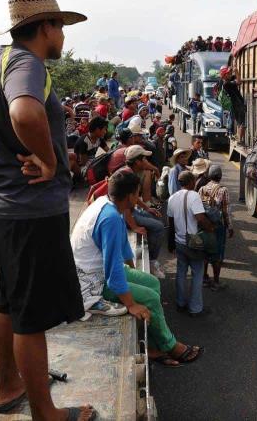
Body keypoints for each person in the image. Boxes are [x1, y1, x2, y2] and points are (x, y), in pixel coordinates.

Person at [0, 0, 94, 419]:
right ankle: (45, 413)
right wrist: (50, 160)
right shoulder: (26, 65)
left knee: (10, 302)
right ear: (46, 27)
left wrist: (2, 158)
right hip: (31, 208)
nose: (64, 38)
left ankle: (8, 386)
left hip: (1, 205)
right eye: (61, 28)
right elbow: (25, 114)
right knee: (31, 317)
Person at [72, 170, 203, 366]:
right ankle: (170, 346)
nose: (139, 197)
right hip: (91, 283)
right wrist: (131, 304)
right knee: (149, 297)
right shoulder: (111, 218)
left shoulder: (106, 204)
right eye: (138, 193)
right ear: (131, 195)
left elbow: (122, 245)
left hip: (97, 271)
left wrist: (133, 270)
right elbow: (113, 270)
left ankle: (154, 341)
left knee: (151, 282)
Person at [167, 171, 215, 317]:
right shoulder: (194, 196)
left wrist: (171, 244)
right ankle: (195, 308)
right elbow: (200, 217)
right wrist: (210, 228)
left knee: (181, 273)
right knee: (197, 273)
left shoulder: (172, 198)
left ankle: (180, 303)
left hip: (179, 241)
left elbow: (170, 223)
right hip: (193, 242)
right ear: (191, 182)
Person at [117, 146, 166, 278]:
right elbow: (124, 205)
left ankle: (151, 254)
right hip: (127, 215)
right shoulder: (127, 176)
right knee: (159, 227)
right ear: (137, 161)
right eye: (143, 158)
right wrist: (134, 226)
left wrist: (147, 208)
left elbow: (134, 197)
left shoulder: (131, 173)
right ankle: (152, 261)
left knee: (156, 217)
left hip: (133, 211)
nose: (146, 161)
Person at [199, 165, 233, 291]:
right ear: (220, 176)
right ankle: (216, 281)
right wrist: (230, 227)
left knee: (205, 252)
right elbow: (225, 211)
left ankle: (204, 278)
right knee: (217, 253)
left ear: (208, 176)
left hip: (205, 224)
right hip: (218, 226)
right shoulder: (223, 190)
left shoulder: (202, 189)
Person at [218, 66, 247, 143]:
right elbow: (239, 82)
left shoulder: (225, 80)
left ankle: (236, 137)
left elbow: (233, 77)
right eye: (228, 73)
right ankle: (239, 140)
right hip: (237, 105)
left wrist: (232, 70)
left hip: (234, 105)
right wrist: (236, 71)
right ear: (225, 75)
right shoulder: (226, 83)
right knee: (241, 123)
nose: (230, 74)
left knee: (238, 122)